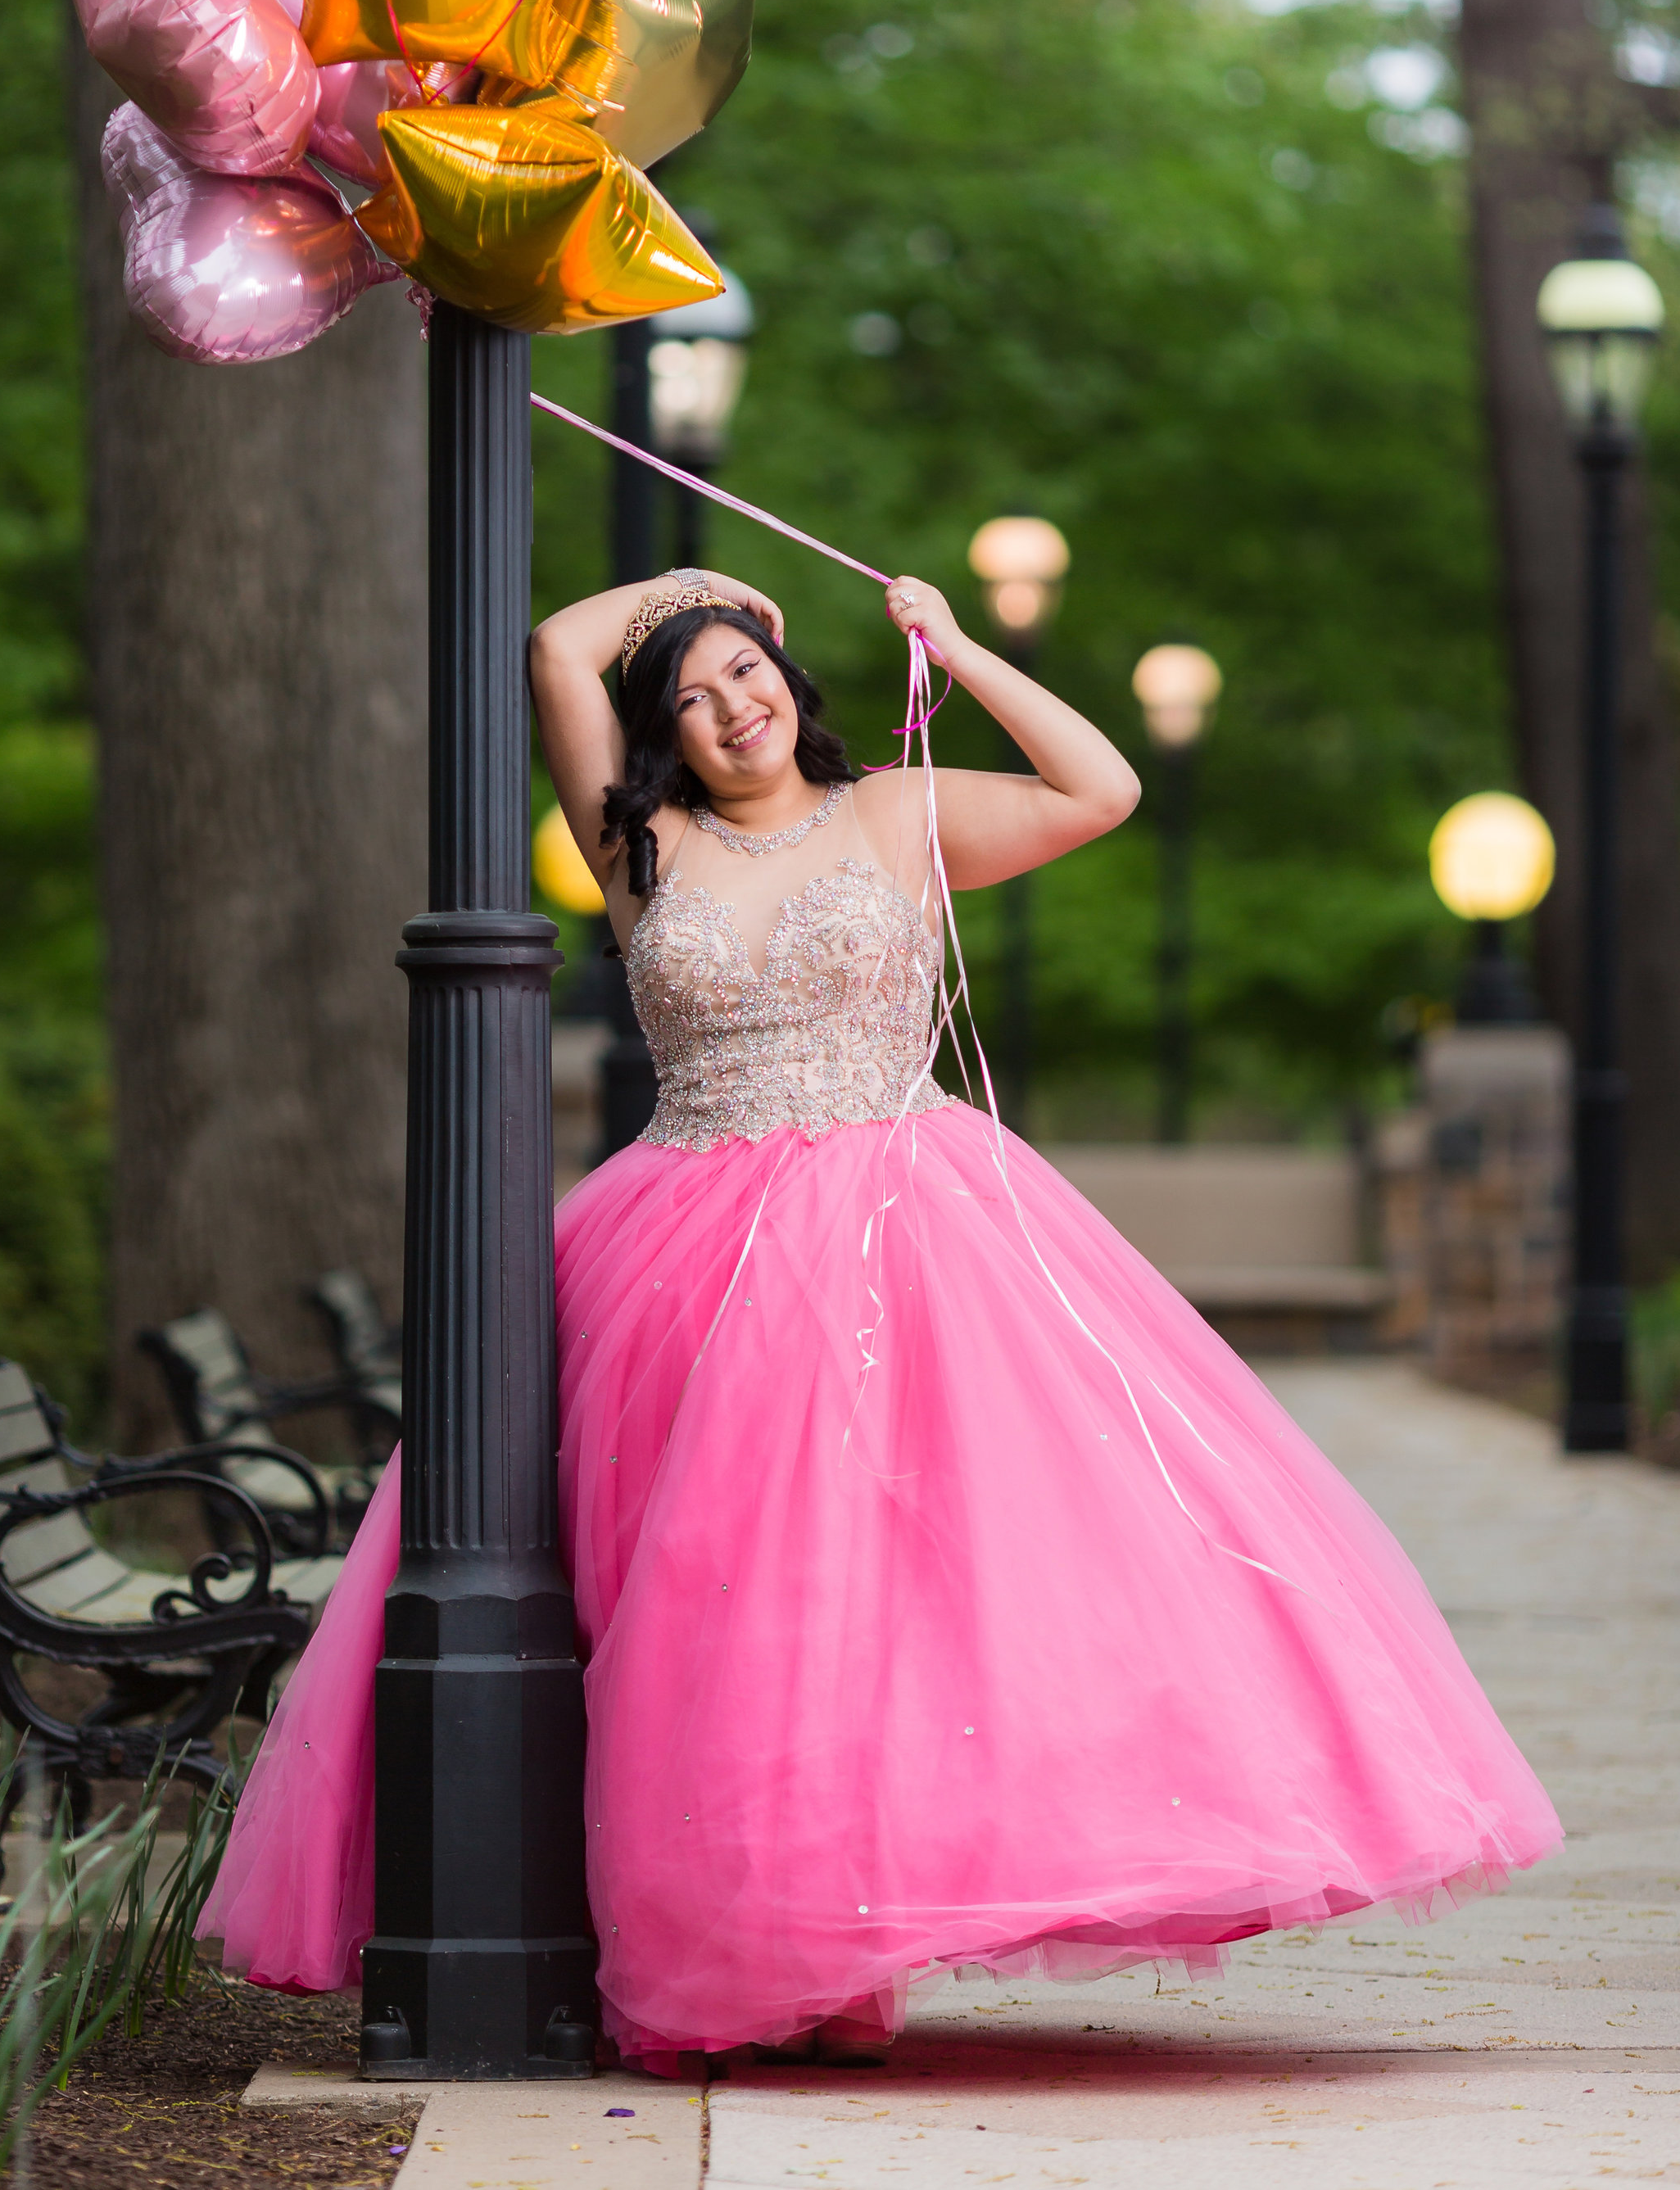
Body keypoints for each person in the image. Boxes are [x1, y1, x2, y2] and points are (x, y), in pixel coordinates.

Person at [199, 567, 1560, 2068]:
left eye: (745, 672)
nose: (731, 709)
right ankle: (765, 1947)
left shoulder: (897, 811)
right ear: (665, 740)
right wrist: (690, 585)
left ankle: (854, 1944)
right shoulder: (638, 844)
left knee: (906, 1604)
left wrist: (960, 646)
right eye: (694, 700)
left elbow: (1099, 787)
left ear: (792, 679)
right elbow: (550, 647)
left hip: (912, 1225)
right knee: (734, 1607)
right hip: (682, 1252)